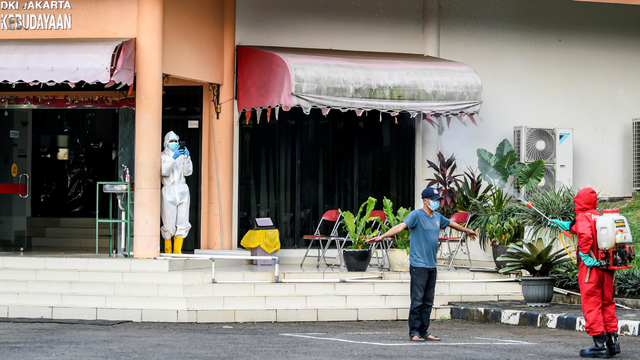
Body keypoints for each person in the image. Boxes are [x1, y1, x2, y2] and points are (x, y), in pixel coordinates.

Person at [367, 187, 478, 342]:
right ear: (425, 200)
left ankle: (424, 332)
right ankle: (414, 332)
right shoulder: (416, 215)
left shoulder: (437, 217)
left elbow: (452, 225)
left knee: (428, 301)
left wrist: (467, 231)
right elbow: (400, 226)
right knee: (417, 300)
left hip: (432, 265)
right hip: (419, 265)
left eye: (438, 200)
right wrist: (382, 236)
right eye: (434, 200)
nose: (437, 202)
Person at [549, 188, 620, 358]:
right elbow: (578, 228)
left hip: (591, 271)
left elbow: (586, 235)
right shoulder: (600, 217)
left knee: (592, 305)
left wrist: (585, 255)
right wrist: (562, 224)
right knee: (607, 304)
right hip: (606, 268)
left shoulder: (583, 217)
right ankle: (612, 342)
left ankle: (599, 346)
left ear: (579, 202)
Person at [161, 131, 193, 254]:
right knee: (168, 222)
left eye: (175, 141)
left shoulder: (181, 155)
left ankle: (177, 250)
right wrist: (172, 160)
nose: (174, 143)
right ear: (166, 142)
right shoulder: (162, 156)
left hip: (182, 189)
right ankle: (168, 249)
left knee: (183, 220)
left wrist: (187, 158)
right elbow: (164, 172)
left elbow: (188, 172)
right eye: (171, 141)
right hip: (168, 190)